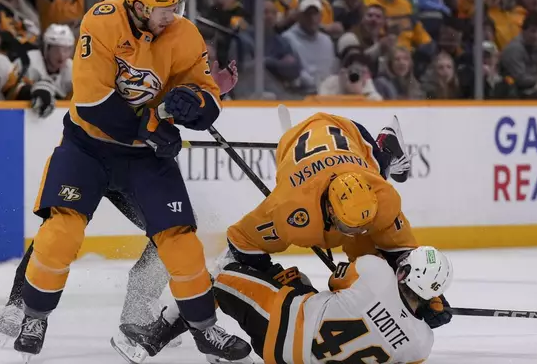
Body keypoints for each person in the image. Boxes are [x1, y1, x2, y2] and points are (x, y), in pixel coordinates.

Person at [9, 0, 251, 363]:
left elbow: (207, 91)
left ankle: (205, 329)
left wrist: (200, 106)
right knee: (60, 233)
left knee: (180, 241)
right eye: (164, 8)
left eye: (176, 5)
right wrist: (154, 125)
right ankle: (33, 315)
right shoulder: (100, 21)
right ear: (138, 6)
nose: (173, 14)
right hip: (88, 148)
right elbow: (92, 103)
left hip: (143, 158)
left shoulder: (185, 34)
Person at [121, 112, 453, 356]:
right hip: (309, 143)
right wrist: (269, 276)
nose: (357, 234)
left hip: (352, 148)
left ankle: (385, 147)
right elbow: (241, 242)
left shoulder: (381, 198)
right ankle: (169, 325)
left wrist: (424, 294)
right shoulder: (289, 209)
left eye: (360, 226)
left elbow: (404, 253)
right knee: (228, 267)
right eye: (348, 227)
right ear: (329, 211)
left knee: (377, 174)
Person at [214, 246, 453, 364]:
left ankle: (192, 328)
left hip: (278, 325)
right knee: (298, 281)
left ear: (405, 272)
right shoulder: (422, 344)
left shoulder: (375, 270)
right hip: (286, 359)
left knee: (218, 276)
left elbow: (334, 282)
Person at [23, 23, 75, 117]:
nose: (61, 55)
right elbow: (12, 92)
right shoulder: (28, 62)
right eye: (56, 50)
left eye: (66, 50)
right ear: (47, 48)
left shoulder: (72, 70)